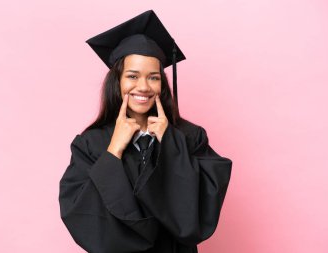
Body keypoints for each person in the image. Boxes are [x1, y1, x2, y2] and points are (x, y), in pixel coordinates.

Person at [59, 10, 232, 253]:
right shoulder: (91, 143)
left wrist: (170, 142)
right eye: (132, 76)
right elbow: (79, 213)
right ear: (117, 82)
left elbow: (201, 207)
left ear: (162, 84)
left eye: (153, 77)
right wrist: (113, 151)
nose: (143, 86)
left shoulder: (190, 137)